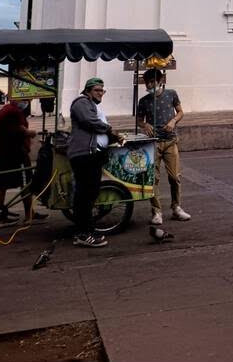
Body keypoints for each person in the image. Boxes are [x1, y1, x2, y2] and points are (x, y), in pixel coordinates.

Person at [67, 77, 124, 248]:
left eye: (102, 91)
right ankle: (83, 234)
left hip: (92, 155)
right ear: (88, 90)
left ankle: (85, 231)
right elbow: (89, 121)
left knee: (89, 194)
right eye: (97, 90)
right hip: (84, 154)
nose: (101, 94)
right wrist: (109, 129)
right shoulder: (81, 102)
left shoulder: (91, 105)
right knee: (85, 195)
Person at [137, 69, 190, 225]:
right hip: (153, 142)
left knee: (174, 176)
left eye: (152, 82)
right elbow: (139, 120)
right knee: (154, 178)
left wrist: (173, 121)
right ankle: (156, 212)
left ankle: (176, 207)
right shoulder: (144, 101)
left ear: (160, 81)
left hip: (170, 141)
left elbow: (180, 112)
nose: (150, 85)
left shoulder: (171, 94)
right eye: (147, 83)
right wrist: (145, 125)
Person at [0, 98, 39, 223]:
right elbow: (18, 130)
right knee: (26, 184)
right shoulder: (13, 112)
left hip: (3, 153)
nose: (28, 102)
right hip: (13, 153)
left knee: (1, 184)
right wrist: (31, 133)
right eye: (26, 99)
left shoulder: (10, 109)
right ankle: (29, 215)